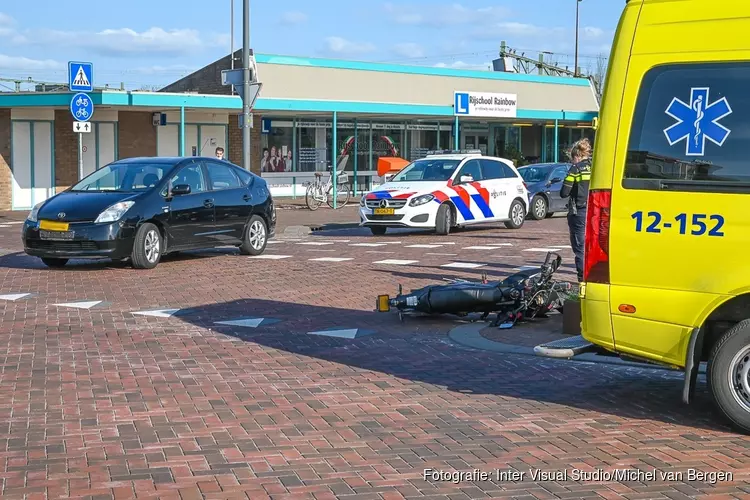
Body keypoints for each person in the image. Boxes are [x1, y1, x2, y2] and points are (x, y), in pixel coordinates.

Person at [560, 138, 593, 282]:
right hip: (595, 211)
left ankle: (582, 280)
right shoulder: (597, 168)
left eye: (572, 158)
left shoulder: (575, 169)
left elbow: (564, 192)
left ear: (577, 156)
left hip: (579, 211)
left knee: (580, 247)